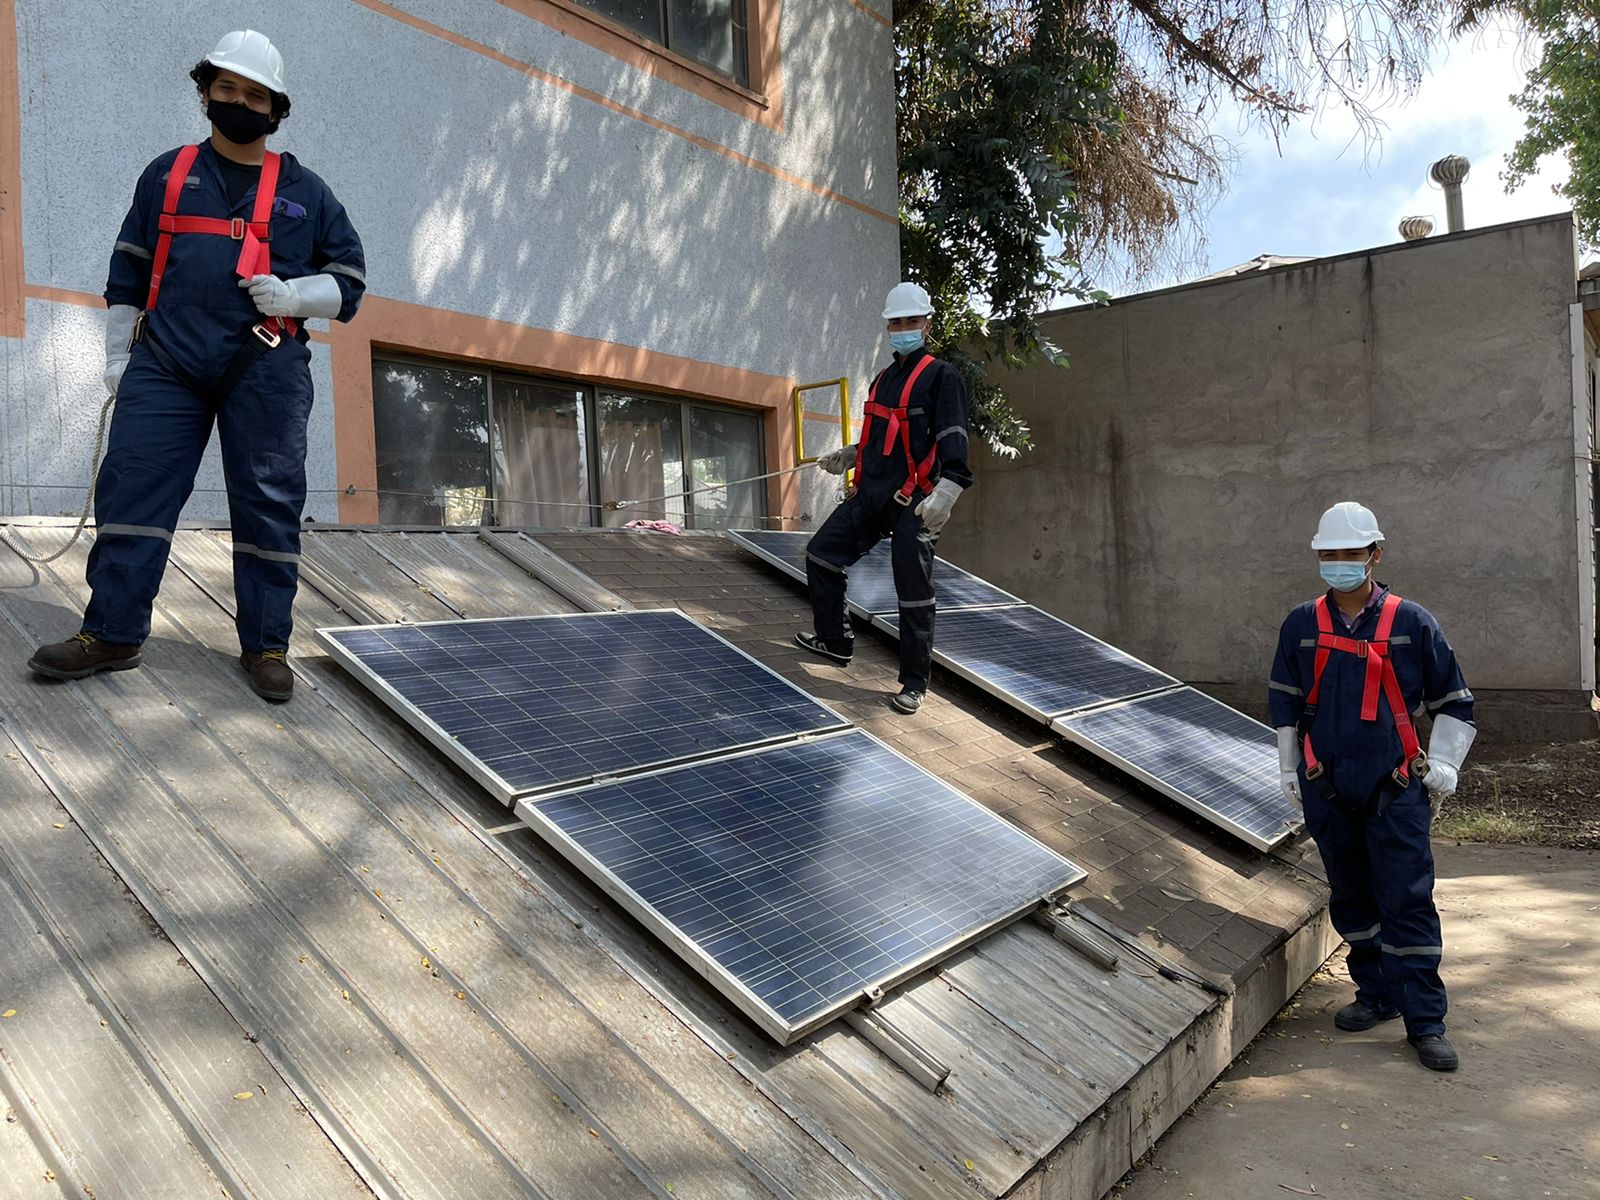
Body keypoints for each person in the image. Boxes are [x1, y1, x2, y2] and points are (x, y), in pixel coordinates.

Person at [26, 30, 366, 702]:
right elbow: (127, 272)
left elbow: (350, 282)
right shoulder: (168, 174)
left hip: (265, 366)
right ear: (206, 92)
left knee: (270, 505)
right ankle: (113, 634)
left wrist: (296, 294)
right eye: (227, 89)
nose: (239, 102)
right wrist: (118, 358)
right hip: (167, 363)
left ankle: (265, 645)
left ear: (277, 108)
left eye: (254, 94)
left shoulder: (309, 192)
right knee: (132, 491)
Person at [1270, 502, 1476, 1072]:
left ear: (1374, 555)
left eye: (1349, 553)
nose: (1338, 563)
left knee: (1406, 900)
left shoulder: (1413, 624)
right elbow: (1285, 702)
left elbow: (1455, 702)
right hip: (1326, 786)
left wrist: (1447, 765)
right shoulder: (1301, 625)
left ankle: (1425, 1022)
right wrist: (1289, 767)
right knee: (1353, 897)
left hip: (1395, 787)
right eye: (1327, 554)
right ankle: (1377, 994)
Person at [794, 282, 972, 714]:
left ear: (926, 324)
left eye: (912, 321)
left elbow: (952, 437)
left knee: (912, 592)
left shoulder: (942, 376)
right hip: (872, 494)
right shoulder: (883, 379)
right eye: (896, 322)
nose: (903, 328)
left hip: (917, 501)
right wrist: (851, 454)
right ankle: (834, 642)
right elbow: (881, 436)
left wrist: (947, 491)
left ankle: (914, 683)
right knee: (821, 555)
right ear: (888, 326)